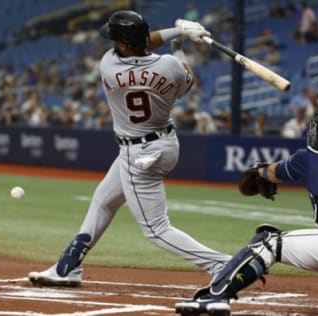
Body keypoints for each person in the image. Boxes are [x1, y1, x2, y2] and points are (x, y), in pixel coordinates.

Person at [27, 10, 231, 287]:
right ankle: (68, 267)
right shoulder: (170, 67)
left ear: (123, 43)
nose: (111, 43)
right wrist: (180, 41)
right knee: (103, 201)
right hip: (165, 144)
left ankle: (223, 264)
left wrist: (177, 30)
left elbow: (144, 43)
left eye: (115, 39)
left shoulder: (108, 64)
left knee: (156, 230)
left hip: (141, 156)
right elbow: (186, 79)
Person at [175, 103, 318, 315]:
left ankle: (215, 296)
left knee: (268, 241)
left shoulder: (310, 155)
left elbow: (273, 172)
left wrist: (258, 171)